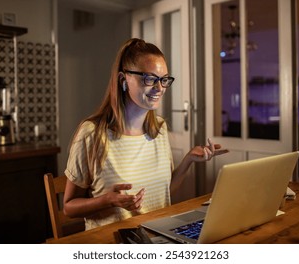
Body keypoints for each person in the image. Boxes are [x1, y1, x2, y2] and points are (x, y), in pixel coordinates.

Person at [63, 38, 228, 230]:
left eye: (164, 79)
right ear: (124, 80)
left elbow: (162, 192)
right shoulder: (91, 133)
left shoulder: (159, 128)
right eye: (150, 79)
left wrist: (189, 159)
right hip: (113, 242)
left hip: (158, 234)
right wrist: (107, 200)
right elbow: (68, 207)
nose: (160, 88)